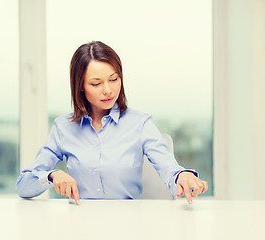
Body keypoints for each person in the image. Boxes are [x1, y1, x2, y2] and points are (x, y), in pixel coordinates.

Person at [16, 41, 208, 205]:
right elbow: (23, 185)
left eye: (114, 79)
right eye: (96, 83)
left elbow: (169, 168)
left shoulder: (140, 124)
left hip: (128, 226)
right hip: (78, 227)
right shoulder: (63, 127)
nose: (108, 90)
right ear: (80, 87)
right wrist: (52, 175)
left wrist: (182, 177)